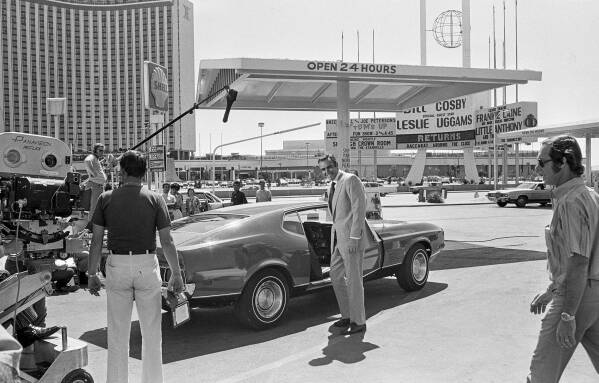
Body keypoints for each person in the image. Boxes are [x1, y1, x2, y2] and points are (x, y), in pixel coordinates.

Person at [86, 150, 184, 383]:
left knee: (118, 334)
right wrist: (176, 273)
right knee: (151, 332)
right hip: (146, 265)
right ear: (144, 172)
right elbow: (167, 240)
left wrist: (91, 273)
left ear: (122, 171)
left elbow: (97, 241)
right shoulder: (155, 198)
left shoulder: (106, 198)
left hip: (117, 266)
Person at [527, 135, 599, 382]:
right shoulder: (590, 196)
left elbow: (578, 262)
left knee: (541, 376)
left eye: (541, 162)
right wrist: (551, 289)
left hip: (576, 298)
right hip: (595, 296)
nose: (537, 169)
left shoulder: (570, 202)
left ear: (564, 162)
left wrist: (567, 315)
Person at [318, 154, 367, 335]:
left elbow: (359, 210)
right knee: (336, 276)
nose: (327, 172)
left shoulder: (350, 180)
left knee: (354, 281)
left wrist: (355, 238)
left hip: (351, 239)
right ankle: (346, 315)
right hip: (337, 240)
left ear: (336, 165)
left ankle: (358, 321)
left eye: (329, 167)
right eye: (323, 169)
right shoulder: (332, 185)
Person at [84, 143, 107, 229]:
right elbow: (87, 161)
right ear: (95, 151)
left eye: (103, 151)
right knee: (94, 207)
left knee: (98, 206)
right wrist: (92, 172)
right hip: (96, 185)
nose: (102, 152)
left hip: (98, 185)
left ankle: (94, 226)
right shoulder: (92, 157)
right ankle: (90, 227)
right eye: (100, 150)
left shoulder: (95, 159)